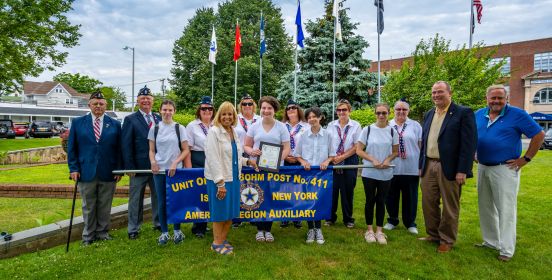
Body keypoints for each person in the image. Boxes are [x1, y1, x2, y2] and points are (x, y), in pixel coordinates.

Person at [475, 85, 545, 262]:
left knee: (505, 209)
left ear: (507, 98)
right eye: (493, 98)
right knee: (486, 207)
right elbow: (472, 136)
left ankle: (506, 249)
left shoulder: (517, 114)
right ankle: (491, 241)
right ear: (487, 99)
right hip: (483, 167)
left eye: (500, 98)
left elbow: (539, 135)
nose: (496, 101)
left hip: (505, 169)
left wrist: (525, 159)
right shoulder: (478, 114)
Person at [418, 81, 477, 253]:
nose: (436, 95)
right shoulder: (429, 114)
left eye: (440, 92)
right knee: (428, 202)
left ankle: (447, 239)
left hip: (449, 167)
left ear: (450, 93)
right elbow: (425, 142)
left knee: (450, 206)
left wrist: (463, 170)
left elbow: (469, 144)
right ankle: (433, 235)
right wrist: (421, 165)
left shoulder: (462, 113)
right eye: (434, 92)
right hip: (428, 164)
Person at [67, 91, 122, 245]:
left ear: (106, 106)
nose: (98, 106)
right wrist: (73, 168)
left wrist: (119, 169)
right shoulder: (78, 122)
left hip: (109, 171)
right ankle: (88, 236)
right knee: (88, 206)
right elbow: (72, 148)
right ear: (89, 105)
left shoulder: (115, 124)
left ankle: (103, 233)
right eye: (95, 103)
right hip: (85, 172)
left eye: (101, 103)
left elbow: (119, 149)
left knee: (105, 205)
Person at [205, 101, 259, 255]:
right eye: (224, 114)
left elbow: (234, 156)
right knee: (220, 213)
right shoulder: (213, 132)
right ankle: (216, 244)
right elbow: (213, 159)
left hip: (234, 178)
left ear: (234, 116)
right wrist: (220, 183)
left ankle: (222, 240)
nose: (227, 117)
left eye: (230, 114)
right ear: (219, 116)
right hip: (220, 180)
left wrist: (247, 161)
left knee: (230, 213)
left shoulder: (233, 132)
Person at [244, 96, 291, 242]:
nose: (266, 111)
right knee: (258, 196)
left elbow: (287, 147)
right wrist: (251, 152)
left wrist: (278, 160)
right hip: (257, 168)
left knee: (270, 197)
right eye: (263, 108)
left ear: (274, 110)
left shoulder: (281, 127)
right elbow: (246, 145)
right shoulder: (254, 126)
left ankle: (268, 230)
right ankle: (259, 229)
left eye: (269, 108)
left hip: (274, 169)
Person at [148, 100, 190, 245]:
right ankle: (165, 232)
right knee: (162, 201)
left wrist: (175, 162)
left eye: (170, 110)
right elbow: (151, 150)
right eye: (164, 110)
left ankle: (177, 230)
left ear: (174, 111)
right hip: (159, 171)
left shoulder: (180, 128)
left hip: (175, 171)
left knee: (176, 200)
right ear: (160, 111)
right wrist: (153, 162)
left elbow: (185, 150)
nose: (167, 112)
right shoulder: (154, 129)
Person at [121, 85, 160, 240]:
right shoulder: (130, 119)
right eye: (142, 98)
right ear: (137, 101)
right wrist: (129, 166)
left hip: (157, 166)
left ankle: (158, 223)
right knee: (136, 199)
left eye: (148, 98)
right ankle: (133, 228)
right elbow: (126, 144)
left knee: (158, 196)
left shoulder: (158, 118)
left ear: (153, 101)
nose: (146, 101)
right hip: (138, 167)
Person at [357, 103, 399, 245]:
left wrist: (387, 160)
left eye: (384, 113)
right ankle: (369, 230)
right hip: (369, 171)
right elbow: (359, 150)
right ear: (375, 114)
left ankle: (379, 231)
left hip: (385, 172)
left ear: (389, 114)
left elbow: (395, 151)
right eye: (378, 113)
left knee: (381, 201)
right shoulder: (367, 129)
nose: (381, 116)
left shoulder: (393, 131)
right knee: (370, 200)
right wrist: (373, 159)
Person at [295, 107, 335, 244]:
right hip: (307, 174)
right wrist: (303, 161)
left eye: (314, 117)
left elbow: (332, 154)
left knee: (318, 201)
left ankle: (318, 228)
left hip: (321, 174)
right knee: (307, 200)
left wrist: (327, 161)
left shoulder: (328, 135)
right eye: (309, 117)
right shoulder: (302, 135)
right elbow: (297, 155)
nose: (312, 119)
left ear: (320, 117)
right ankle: (310, 229)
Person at [383, 99, 423, 235]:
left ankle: (410, 223)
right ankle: (392, 220)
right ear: (393, 111)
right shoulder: (387, 125)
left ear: (408, 111)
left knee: (410, 197)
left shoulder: (415, 125)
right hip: (392, 167)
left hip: (411, 167)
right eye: (398, 109)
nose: (401, 112)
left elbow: (420, 146)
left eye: (404, 109)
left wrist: (421, 165)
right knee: (391, 195)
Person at [326, 99, 362, 228]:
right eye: (339, 110)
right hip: (333, 160)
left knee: (347, 191)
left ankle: (348, 219)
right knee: (332, 191)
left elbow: (356, 146)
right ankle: (330, 218)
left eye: (344, 110)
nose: (341, 112)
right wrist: (332, 158)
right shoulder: (331, 125)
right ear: (336, 112)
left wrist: (343, 157)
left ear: (349, 111)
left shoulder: (356, 126)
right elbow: (327, 143)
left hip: (349, 160)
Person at [184, 96, 215, 238]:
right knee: (200, 195)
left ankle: (208, 223)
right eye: (204, 108)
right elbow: (187, 150)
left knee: (212, 194)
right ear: (199, 110)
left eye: (209, 108)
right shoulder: (192, 126)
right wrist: (190, 169)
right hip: (198, 161)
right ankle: (198, 227)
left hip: (214, 161)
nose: (207, 111)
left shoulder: (217, 124)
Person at [232, 93, 261, 228]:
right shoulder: (235, 120)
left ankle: (254, 215)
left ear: (254, 105)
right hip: (239, 156)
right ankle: (237, 217)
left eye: (250, 103)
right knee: (239, 185)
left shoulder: (260, 119)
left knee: (256, 186)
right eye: (244, 104)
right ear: (240, 106)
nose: (247, 106)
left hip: (257, 156)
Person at [281, 99, 309, 229]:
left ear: (298, 109)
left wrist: (298, 159)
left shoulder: (306, 126)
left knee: (298, 189)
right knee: (285, 189)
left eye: (293, 107)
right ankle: (285, 216)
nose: (291, 110)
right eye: (288, 108)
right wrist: (286, 157)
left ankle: (297, 216)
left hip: (299, 161)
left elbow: (308, 145)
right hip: (284, 161)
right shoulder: (281, 126)